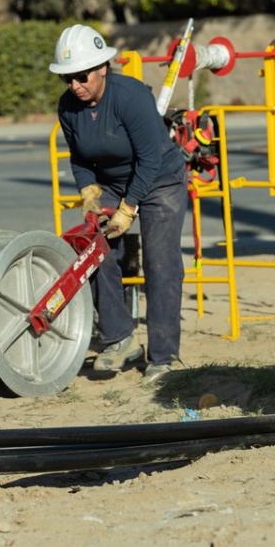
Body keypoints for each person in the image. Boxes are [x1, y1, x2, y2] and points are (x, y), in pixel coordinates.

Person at [52, 24, 187, 383]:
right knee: (92, 251)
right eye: (67, 78)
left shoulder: (130, 97)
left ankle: (163, 357)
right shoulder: (68, 106)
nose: (74, 85)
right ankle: (119, 337)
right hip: (112, 183)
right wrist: (89, 194)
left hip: (160, 179)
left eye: (81, 77)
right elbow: (79, 158)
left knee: (160, 263)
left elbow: (149, 158)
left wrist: (128, 209)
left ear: (102, 69)